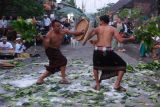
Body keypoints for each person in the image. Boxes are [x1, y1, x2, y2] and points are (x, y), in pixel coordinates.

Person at [83, 15, 135, 91]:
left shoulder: (97, 29)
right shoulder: (112, 29)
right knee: (123, 65)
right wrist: (130, 39)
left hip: (98, 50)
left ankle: (98, 85)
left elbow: (87, 37)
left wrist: (91, 37)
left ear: (102, 21)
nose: (99, 22)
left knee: (96, 67)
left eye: (100, 21)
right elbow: (120, 40)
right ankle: (117, 85)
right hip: (107, 51)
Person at [36, 19, 84, 84]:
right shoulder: (49, 34)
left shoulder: (63, 31)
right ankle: (63, 79)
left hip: (56, 50)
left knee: (52, 68)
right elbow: (46, 45)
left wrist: (80, 32)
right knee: (63, 60)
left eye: (60, 26)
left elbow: (73, 32)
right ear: (53, 27)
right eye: (57, 26)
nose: (59, 27)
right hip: (50, 50)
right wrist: (42, 39)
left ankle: (40, 79)